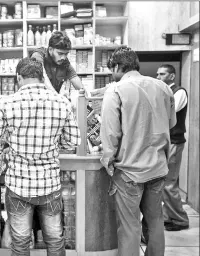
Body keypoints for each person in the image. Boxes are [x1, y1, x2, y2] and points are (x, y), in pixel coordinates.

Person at [0, 57, 81, 256]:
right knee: (54, 240)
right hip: (50, 184)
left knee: (20, 242)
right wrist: (53, 144)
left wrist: (9, 146)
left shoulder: (7, 103)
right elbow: (73, 141)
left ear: (19, 77)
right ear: (41, 76)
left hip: (18, 185)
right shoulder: (62, 102)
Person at [100, 46, 176, 256]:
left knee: (129, 227)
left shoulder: (115, 91)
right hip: (158, 168)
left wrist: (108, 162)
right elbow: (171, 123)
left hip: (129, 171)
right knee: (155, 221)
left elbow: (110, 134)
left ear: (116, 66)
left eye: (111, 70)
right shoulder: (164, 88)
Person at [157, 64, 189, 231]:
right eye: (157, 74)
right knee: (164, 182)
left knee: (169, 183)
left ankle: (180, 220)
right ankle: (169, 216)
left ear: (171, 76)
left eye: (162, 74)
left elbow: (168, 113)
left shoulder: (180, 91)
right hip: (167, 142)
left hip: (175, 142)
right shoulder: (165, 92)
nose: (158, 77)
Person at [30, 31, 84, 99]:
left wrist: (87, 99)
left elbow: (75, 79)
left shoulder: (64, 61)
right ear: (50, 49)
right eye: (60, 53)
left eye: (66, 54)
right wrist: (58, 97)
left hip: (53, 102)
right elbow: (43, 77)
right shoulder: (38, 55)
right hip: (37, 102)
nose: (63, 57)